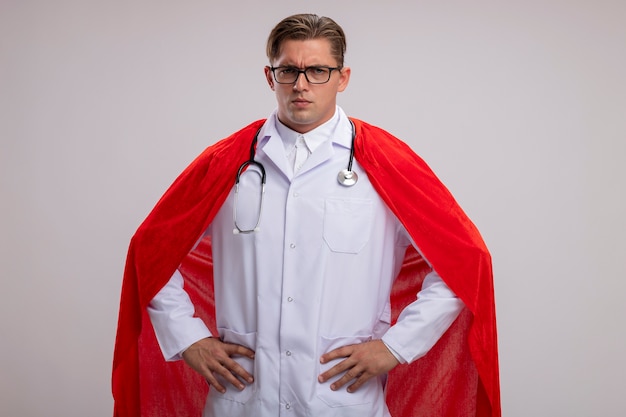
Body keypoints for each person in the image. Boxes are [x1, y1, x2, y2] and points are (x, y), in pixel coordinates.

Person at [112, 13, 500, 417]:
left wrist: (396, 347)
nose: (301, 84)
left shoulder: (385, 164)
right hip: (245, 399)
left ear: (342, 77)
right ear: (269, 76)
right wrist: (188, 337)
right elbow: (150, 254)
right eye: (289, 71)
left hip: (343, 401)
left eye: (317, 70)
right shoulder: (227, 165)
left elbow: (464, 264)